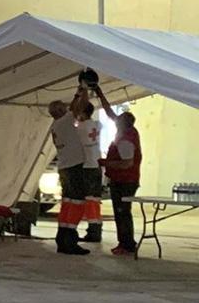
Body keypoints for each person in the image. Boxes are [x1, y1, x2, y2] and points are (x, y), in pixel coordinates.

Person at [94, 85, 141, 256]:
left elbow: (127, 164)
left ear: (123, 124)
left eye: (118, 119)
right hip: (124, 179)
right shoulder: (128, 131)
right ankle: (126, 243)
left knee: (122, 213)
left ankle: (127, 244)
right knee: (122, 212)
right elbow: (109, 113)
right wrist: (99, 93)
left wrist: (105, 163)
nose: (115, 120)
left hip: (125, 181)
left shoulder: (126, 141)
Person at [49, 88, 91, 255]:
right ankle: (70, 240)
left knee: (67, 204)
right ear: (60, 111)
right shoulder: (64, 121)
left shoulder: (55, 126)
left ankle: (63, 239)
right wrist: (82, 91)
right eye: (62, 107)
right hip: (74, 167)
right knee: (77, 203)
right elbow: (79, 106)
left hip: (65, 167)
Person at [75, 102, 104, 243]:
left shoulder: (81, 127)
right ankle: (96, 228)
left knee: (89, 200)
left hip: (87, 166)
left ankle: (93, 232)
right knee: (95, 200)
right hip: (97, 165)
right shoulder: (97, 125)